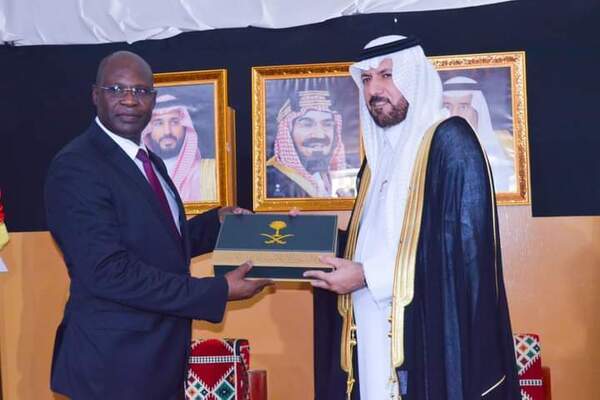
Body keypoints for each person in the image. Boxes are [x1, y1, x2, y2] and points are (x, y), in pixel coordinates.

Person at [44, 50, 270, 400]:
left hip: (156, 361)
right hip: (112, 370)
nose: (130, 100)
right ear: (95, 95)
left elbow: (158, 244)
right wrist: (217, 290)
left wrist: (218, 224)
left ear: (153, 98)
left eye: (140, 91)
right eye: (116, 89)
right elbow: (108, 271)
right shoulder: (77, 166)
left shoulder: (148, 161)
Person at [306, 36, 520, 399]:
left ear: (414, 76)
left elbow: (461, 252)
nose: (374, 89)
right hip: (370, 332)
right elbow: (379, 240)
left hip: (426, 338)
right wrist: (307, 237)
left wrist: (368, 276)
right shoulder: (375, 163)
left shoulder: (450, 143)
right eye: (367, 79)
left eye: (387, 75)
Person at [266, 89, 355, 198]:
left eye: (327, 124)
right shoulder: (270, 179)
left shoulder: (342, 175)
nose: (319, 135)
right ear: (288, 132)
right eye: (307, 124)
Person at [442, 76, 515, 192]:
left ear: (478, 109)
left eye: (463, 107)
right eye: (447, 107)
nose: (454, 115)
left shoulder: (505, 148)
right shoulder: (430, 152)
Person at [142, 94, 217, 202]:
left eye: (174, 122)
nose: (167, 131)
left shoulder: (209, 173)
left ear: (185, 126)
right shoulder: (139, 174)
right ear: (149, 130)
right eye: (158, 123)